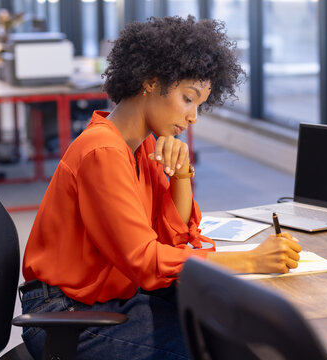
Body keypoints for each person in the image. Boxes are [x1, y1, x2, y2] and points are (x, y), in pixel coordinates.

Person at [20, 15, 302, 360]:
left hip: (109, 294)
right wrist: (251, 261)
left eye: (200, 105)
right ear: (151, 82)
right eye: (188, 99)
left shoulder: (139, 145)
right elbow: (148, 263)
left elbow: (174, 239)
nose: (194, 116)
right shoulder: (103, 152)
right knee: (210, 348)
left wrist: (181, 174)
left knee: (227, 331)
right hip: (67, 314)